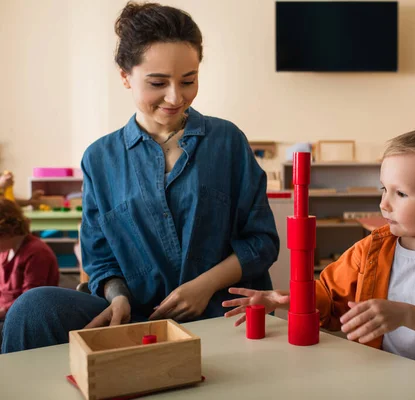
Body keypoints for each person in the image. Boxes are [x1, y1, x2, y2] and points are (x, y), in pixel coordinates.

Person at [1, 1, 278, 353]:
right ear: (124, 76)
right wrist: (117, 298)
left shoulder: (227, 143)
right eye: (158, 82)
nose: (176, 97)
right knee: (32, 308)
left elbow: (262, 241)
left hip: (220, 313)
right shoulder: (100, 159)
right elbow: (100, 259)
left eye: (189, 80)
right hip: (139, 318)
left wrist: (204, 285)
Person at [224, 127, 415, 399]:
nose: (384, 204)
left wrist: (404, 314)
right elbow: (330, 297)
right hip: (381, 376)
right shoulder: (370, 250)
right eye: (384, 189)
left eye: (400, 194)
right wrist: (288, 298)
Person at [0, 198, 59, 345]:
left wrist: (1, 311)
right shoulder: (5, 250)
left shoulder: (37, 253)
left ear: (6, 230)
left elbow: (28, 302)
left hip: (22, 318)